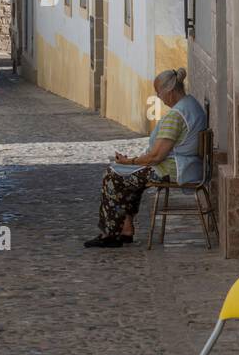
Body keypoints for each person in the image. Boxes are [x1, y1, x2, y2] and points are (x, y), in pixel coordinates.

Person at [84, 68, 207, 249]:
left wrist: (129, 162)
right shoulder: (191, 104)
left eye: (159, 93)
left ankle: (111, 233)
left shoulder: (177, 115)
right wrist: (132, 162)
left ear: (170, 91)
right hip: (185, 166)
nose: (159, 98)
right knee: (127, 176)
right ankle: (125, 228)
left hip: (172, 170)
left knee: (113, 174)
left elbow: (156, 157)